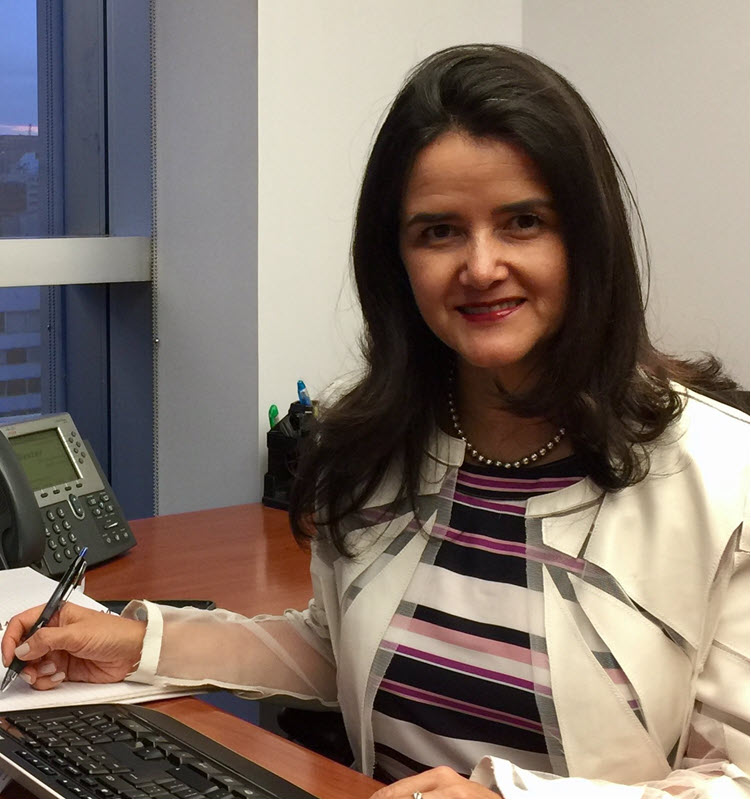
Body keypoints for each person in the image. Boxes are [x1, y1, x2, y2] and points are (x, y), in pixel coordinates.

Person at [3, 44, 748, 799]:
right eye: (438, 231)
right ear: (394, 259)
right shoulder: (375, 444)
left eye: (522, 222)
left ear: (586, 240)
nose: (480, 266)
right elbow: (339, 652)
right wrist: (142, 645)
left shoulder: (724, 481)